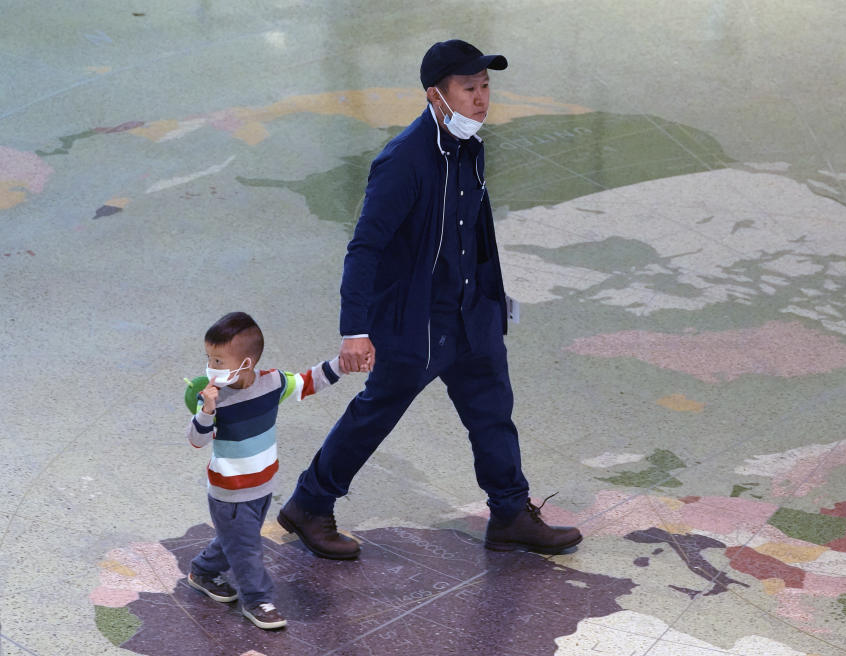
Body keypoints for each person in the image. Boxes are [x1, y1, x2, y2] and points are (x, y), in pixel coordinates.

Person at [277, 39, 582, 558]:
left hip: (472, 313)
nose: (482, 99)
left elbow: (473, 227)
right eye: (469, 89)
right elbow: (365, 248)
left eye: (486, 87)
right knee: (376, 412)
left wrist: (492, 294)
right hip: (416, 322)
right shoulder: (402, 161)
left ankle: (509, 512)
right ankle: (309, 504)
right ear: (436, 96)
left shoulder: (471, 145)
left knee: (492, 412)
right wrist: (355, 329)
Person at [185, 311, 343, 630]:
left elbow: (309, 382)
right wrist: (207, 411)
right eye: (209, 359)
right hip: (229, 492)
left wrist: (342, 364)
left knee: (236, 540)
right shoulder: (216, 398)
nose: (211, 368)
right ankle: (258, 599)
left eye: (218, 361)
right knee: (246, 548)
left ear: (247, 362)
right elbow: (196, 440)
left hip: (262, 486)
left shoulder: (272, 383)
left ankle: (202, 571)